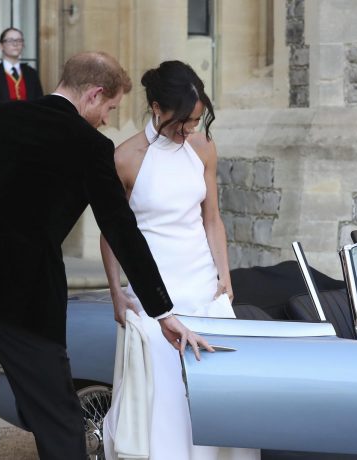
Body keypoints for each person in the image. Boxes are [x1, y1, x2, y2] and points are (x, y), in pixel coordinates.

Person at [0, 52, 211, 460]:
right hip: (24, 301)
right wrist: (163, 311)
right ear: (94, 94)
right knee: (60, 422)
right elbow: (122, 231)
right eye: (110, 108)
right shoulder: (91, 146)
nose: (107, 119)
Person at [100, 60, 260, 460]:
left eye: (195, 120)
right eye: (183, 121)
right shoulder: (125, 158)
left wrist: (224, 276)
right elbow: (111, 233)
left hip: (203, 287)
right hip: (155, 294)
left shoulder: (203, 148)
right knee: (165, 400)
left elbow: (212, 218)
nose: (189, 129)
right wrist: (117, 293)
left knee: (220, 394)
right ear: (157, 108)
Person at [0, 27, 43, 103]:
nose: (15, 44)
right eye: (10, 40)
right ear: (1, 46)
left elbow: (39, 103)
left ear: (23, 45)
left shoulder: (31, 73)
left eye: (19, 40)